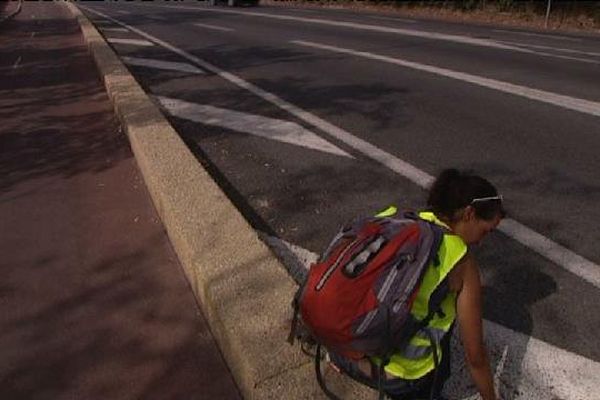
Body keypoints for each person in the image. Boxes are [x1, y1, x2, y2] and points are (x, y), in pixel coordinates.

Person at [328, 168, 505, 400]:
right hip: (400, 379)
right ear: (469, 214)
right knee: (445, 322)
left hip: (345, 352)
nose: (481, 242)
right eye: (485, 231)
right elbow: (475, 357)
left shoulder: (395, 221)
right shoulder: (462, 262)